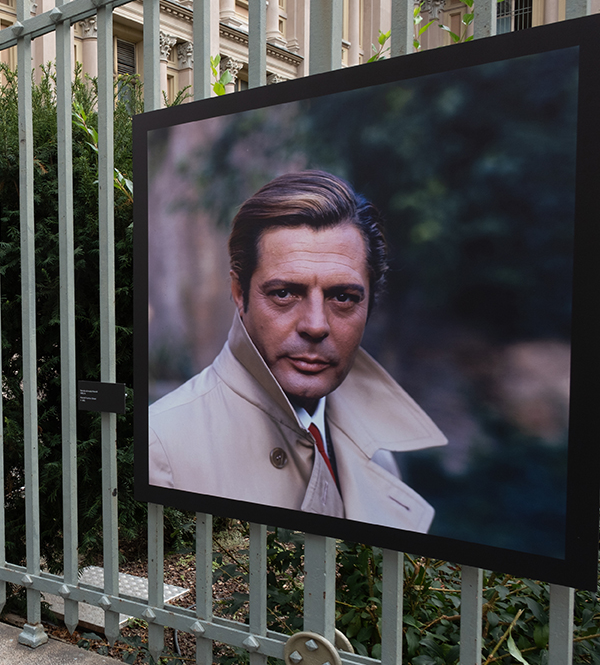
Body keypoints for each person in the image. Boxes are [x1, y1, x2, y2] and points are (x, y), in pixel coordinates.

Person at [148, 171, 446, 532]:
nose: (316, 325)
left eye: (342, 297)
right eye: (285, 293)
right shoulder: (160, 446)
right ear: (239, 293)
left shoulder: (378, 449)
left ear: (370, 305)